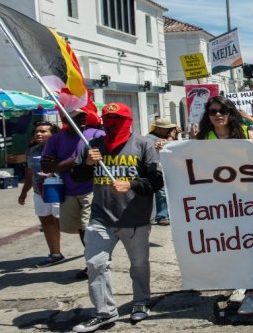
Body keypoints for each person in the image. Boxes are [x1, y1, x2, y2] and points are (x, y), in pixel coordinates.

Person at [71, 103, 164, 332]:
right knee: (95, 263)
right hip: (101, 217)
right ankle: (104, 312)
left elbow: (157, 181)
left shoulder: (144, 145)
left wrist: (131, 184)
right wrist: (87, 164)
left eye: (117, 119)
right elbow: (77, 176)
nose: (112, 124)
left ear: (128, 120)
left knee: (139, 264)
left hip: (135, 218)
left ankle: (141, 301)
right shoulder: (93, 146)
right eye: (108, 119)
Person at [195, 96, 253, 315]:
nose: (218, 115)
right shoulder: (203, 139)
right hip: (218, 204)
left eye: (223, 111)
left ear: (231, 114)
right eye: (213, 111)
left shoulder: (245, 134)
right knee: (230, 246)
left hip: (248, 202)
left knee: (250, 246)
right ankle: (238, 283)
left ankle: (251, 293)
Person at [42, 108, 105, 279]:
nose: (83, 119)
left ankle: (92, 264)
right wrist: (77, 160)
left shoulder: (96, 134)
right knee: (77, 228)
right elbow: (46, 167)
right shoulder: (56, 139)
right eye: (77, 117)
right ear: (66, 119)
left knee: (88, 228)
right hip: (68, 190)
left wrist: (60, 163)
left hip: (92, 188)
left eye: (84, 115)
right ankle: (95, 260)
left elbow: (103, 156)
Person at [18, 121, 64, 267]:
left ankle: (91, 253)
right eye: (37, 131)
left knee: (65, 223)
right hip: (39, 191)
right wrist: (24, 192)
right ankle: (55, 254)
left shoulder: (61, 149)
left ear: (53, 134)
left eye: (43, 131)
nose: (39, 134)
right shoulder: (33, 150)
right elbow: (30, 172)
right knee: (47, 222)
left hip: (58, 190)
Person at [146, 118, 178, 226]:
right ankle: (162, 216)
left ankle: (165, 214)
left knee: (165, 193)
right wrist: (171, 137)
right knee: (161, 193)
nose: (169, 130)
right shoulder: (150, 138)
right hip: (155, 169)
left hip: (164, 167)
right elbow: (168, 146)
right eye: (167, 129)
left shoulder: (162, 136)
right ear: (159, 129)